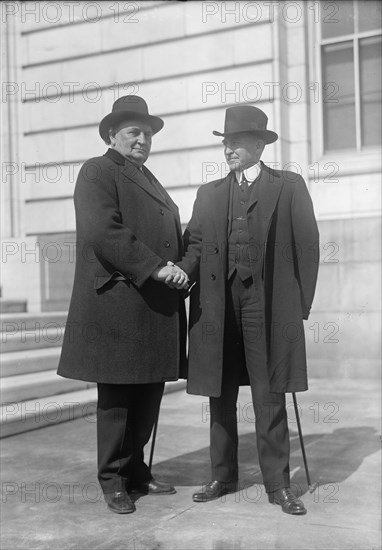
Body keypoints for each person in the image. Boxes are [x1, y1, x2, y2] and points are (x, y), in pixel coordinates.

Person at [176, 105, 319, 515]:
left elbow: (308, 247)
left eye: (236, 142)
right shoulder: (210, 193)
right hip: (217, 303)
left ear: (258, 145)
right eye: (225, 143)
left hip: (268, 304)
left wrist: (300, 305)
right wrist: (179, 276)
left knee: (269, 392)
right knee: (218, 390)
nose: (229, 150)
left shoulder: (288, 186)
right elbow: (196, 246)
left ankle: (278, 483)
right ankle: (223, 474)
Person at [57, 95, 189, 514]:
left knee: (148, 394)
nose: (143, 139)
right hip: (118, 302)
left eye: (148, 133)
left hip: (152, 303)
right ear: (112, 135)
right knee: (116, 398)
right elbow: (103, 231)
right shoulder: (97, 171)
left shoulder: (147, 177)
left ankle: (137, 471)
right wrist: (157, 268)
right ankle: (113, 479)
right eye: (134, 131)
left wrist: (182, 269)